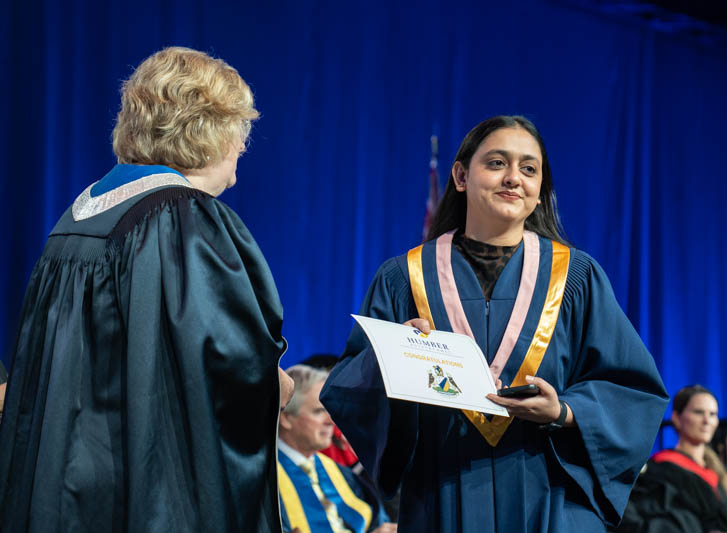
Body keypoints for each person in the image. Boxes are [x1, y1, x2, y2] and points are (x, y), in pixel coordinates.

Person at [320, 115, 669, 531]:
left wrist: (565, 410)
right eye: (496, 163)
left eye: (528, 169)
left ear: (540, 193)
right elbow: (348, 387)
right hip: (442, 500)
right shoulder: (403, 279)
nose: (513, 179)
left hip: (551, 503)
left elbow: (632, 388)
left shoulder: (576, 278)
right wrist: (395, 360)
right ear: (461, 176)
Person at [0, 47, 294, 532]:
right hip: (144, 493)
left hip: (68, 488)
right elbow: (226, 366)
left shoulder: (78, 216)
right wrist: (275, 385)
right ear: (209, 128)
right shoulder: (183, 217)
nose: (243, 146)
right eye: (241, 129)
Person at [620, 385, 727, 533]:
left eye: (713, 414)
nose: (707, 420)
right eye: (698, 412)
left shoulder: (721, 475)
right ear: (676, 418)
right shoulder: (660, 469)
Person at [278, 365, 395, 533]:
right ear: (286, 418)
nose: (331, 422)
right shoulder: (262, 481)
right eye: (319, 412)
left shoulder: (342, 475)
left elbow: (376, 521)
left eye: (330, 412)